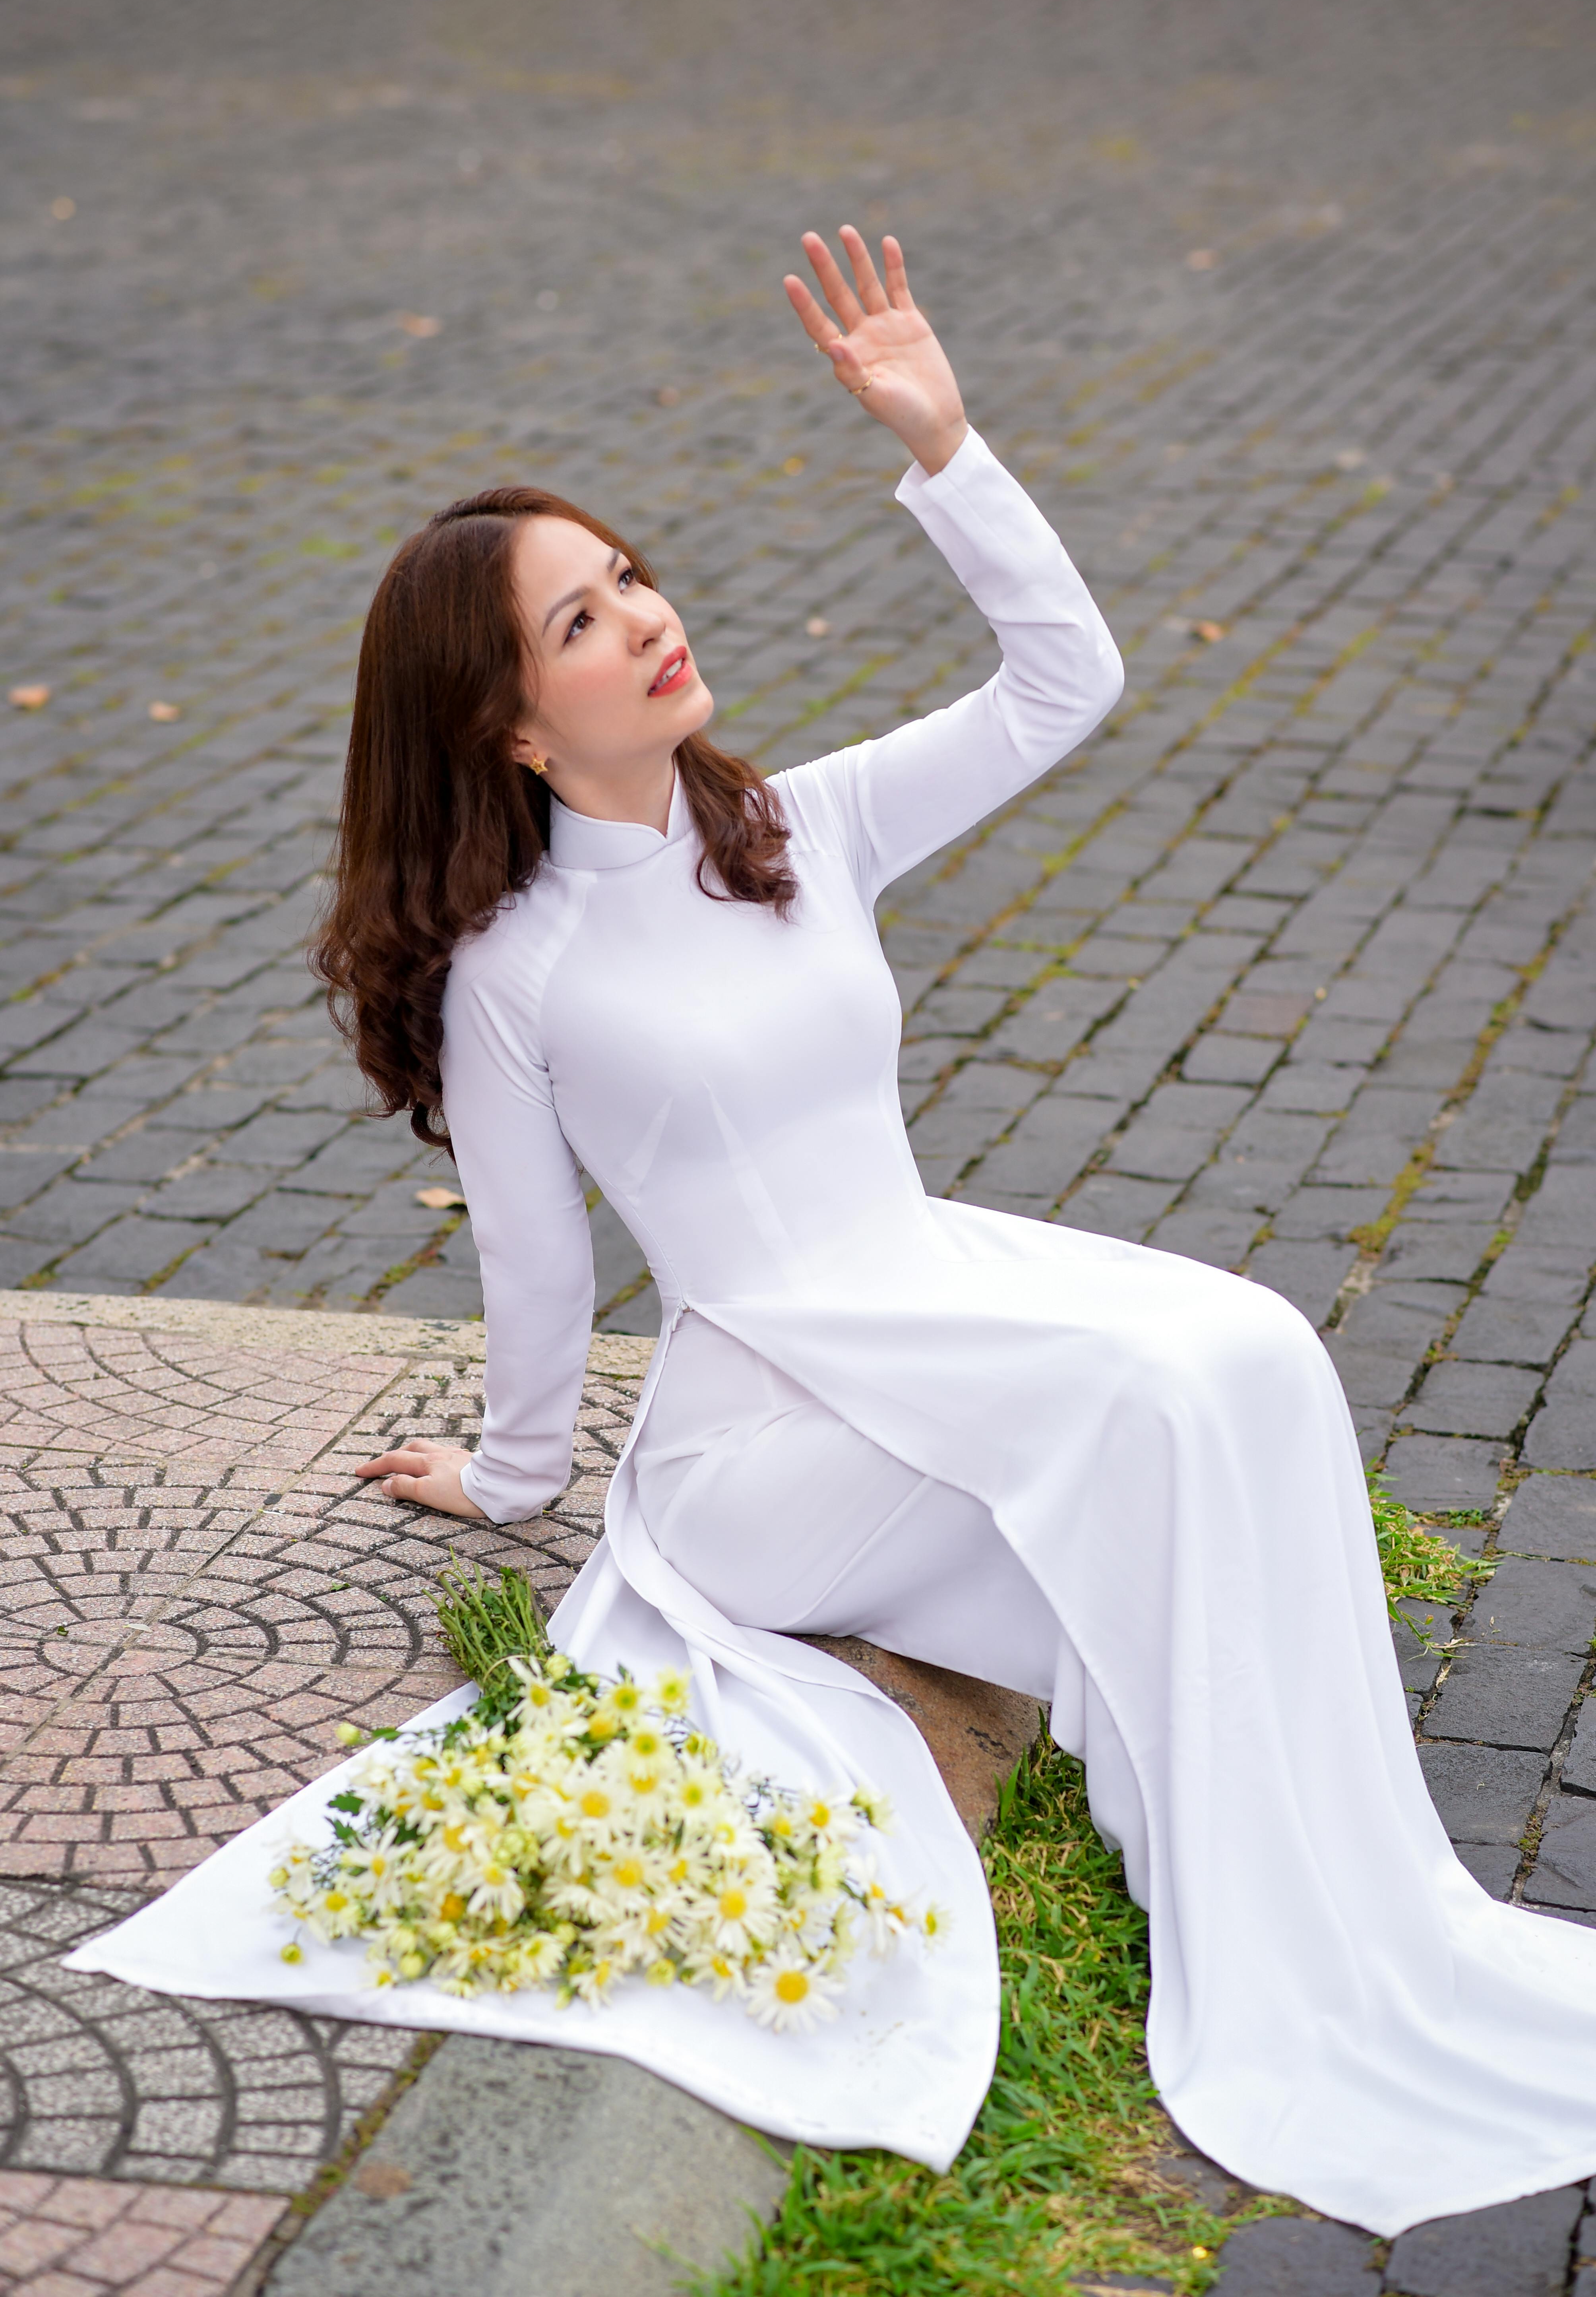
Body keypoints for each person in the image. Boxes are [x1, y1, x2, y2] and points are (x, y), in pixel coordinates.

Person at [316, 227, 1596, 2234]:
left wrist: (945, 446)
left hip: (931, 1303)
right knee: (1145, 1413)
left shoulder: (790, 833)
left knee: (1247, 1348)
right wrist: (505, 1478)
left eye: (629, 574)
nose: (644, 618)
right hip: (766, 1445)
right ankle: (1269, 1945)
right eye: (582, 618)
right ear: (507, 721)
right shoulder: (511, 969)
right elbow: (536, 1271)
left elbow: (1061, 679)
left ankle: (1360, 1897)